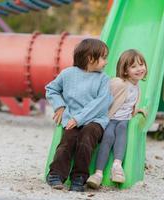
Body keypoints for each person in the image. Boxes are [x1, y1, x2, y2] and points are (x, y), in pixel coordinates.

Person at [45, 38, 113, 192]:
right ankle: (55, 174)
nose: (106, 62)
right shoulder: (68, 74)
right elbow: (51, 89)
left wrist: (79, 118)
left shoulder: (103, 79)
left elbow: (101, 103)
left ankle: (79, 177)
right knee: (68, 140)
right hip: (72, 120)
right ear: (90, 58)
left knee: (87, 137)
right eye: (103, 57)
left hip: (95, 120)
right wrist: (60, 106)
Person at [86, 49, 148, 189]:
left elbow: (129, 105)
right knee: (108, 137)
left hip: (123, 120)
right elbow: (103, 95)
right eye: (133, 67)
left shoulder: (137, 87)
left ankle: (117, 166)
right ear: (125, 71)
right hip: (109, 119)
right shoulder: (118, 83)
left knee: (122, 130)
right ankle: (98, 174)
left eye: (141, 64)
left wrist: (137, 110)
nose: (139, 69)